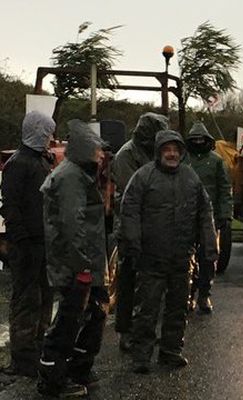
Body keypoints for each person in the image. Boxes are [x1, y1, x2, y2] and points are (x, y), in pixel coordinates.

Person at [120, 130, 217, 374]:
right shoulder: (143, 176)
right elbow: (129, 210)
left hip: (183, 256)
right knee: (147, 309)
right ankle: (141, 356)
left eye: (175, 150)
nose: (171, 154)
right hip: (151, 256)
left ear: (181, 152)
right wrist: (132, 243)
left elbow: (205, 212)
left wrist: (209, 245)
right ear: (159, 152)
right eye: (167, 149)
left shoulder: (190, 177)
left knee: (178, 307)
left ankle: (171, 351)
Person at [38, 121, 109, 398]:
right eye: (98, 150)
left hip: (82, 263)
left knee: (89, 315)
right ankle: (52, 380)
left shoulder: (78, 174)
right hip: (74, 266)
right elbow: (72, 225)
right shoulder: (72, 178)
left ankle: (77, 369)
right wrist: (82, 267)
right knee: (68, 322)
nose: (102, 155)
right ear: (85, 149)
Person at [0, 112, 55, 377]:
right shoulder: (19, 164)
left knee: (43, 298)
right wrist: (20, 240)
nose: (50, 138)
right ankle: (22, 359)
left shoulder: (39, 161)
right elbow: (10, 206)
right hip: (27, 245)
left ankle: (37, 349)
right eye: (47, 133)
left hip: (42, 242)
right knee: (26, 301)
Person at [112, 112, 168, 351]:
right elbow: (129, 196)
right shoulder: (126, 155)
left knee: (151, 285)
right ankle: (126, 332)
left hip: (154, 228)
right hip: (131, 229)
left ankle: (144, 330)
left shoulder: (153, 153)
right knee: (127, 282)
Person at [185, 122, 233, 314]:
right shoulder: (183, 160)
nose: (198, 142)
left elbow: (224, 189)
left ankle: (204, 294)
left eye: (201, 139)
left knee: (208, 257)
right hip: (186, 215)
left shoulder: (216, 161)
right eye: (194, 139)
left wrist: (226, 214)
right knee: (186, 258)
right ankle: (189, 295)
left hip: (209, 217)